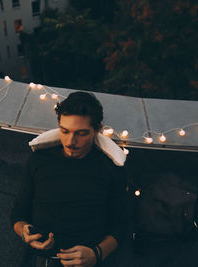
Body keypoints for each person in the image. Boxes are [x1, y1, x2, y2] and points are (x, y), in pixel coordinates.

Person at [11, 91, 127, 267]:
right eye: (64, 131)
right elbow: (18, 213)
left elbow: (121, 224)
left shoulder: (110, 168)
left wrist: (96, 254)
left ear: (98, 130)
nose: (70, 141)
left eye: (81, 133)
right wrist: (24, 232)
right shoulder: (39, 159)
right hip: (40, 260)